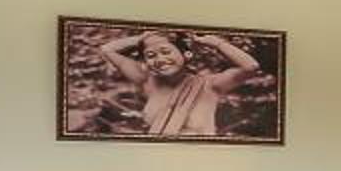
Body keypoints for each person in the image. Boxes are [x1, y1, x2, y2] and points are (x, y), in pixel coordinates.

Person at [94, 26, 262, 138]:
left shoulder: (210, 85)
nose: (160, 60)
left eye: (166, 52)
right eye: (151, 55)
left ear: (186, 54)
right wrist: (143, 38)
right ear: (145, 62)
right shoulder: (148, 83)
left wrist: (217, 43)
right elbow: (107, 49)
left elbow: (251, 67)